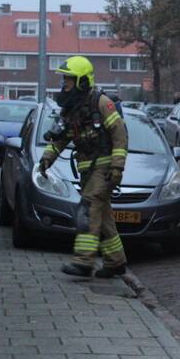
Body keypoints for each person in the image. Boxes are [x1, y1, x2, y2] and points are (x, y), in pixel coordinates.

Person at [39, 56, 129, 278]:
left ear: (82, 81)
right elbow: (61, 138)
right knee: (104, 218)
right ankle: (116, 262)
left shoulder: (101, 103)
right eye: (64, 80)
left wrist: (117, 167)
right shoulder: (71, 108)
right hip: (87, 171)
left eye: (69, 80)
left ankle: (83, 261)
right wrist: (46, 159)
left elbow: (120, 135)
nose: (64, 84)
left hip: (104, 170)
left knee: (87, 211)